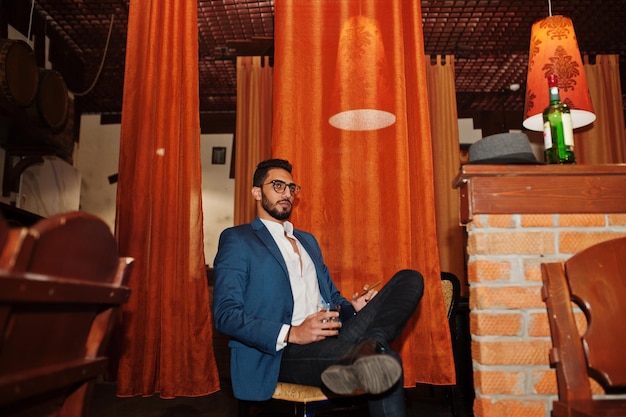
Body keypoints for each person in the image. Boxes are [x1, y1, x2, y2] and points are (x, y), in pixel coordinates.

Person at [213, 158, 424, 417]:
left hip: (333, 336)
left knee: (410, 278)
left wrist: (353, 308)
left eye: (292, 188)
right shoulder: (238, 239)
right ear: (257, 192)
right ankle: (369, 349)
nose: (287, 193)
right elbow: (225, 315)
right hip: (281, 352)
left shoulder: (307, 241)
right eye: (278, 186)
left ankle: (369, 345)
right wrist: (293, 333)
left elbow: (333, 298)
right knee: (387, 361)